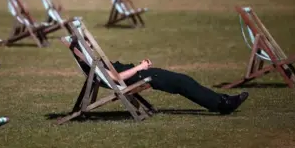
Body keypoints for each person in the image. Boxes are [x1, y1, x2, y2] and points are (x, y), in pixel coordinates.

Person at [75, 50, 249, 115]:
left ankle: (220, 101)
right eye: (87, 45)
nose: (90, 46)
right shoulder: (92, 65)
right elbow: (116, 78)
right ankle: (222, 103)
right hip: (140, 76)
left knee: (184, 81)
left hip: (142, 74)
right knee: (183, 82)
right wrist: (140, 67)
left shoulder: (91, 62)